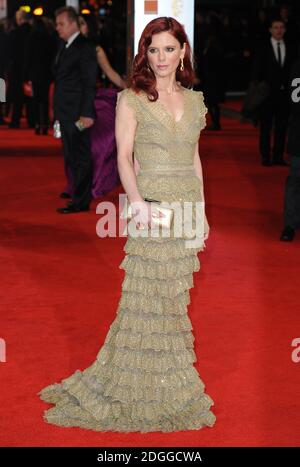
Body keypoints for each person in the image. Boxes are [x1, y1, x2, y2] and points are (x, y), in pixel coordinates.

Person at [38, 16, 216, 432]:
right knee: (143, 301)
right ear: (144, 54)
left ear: (183, 51)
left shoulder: (194, 101)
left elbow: (194, 158)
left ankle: (167, 384)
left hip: (186, 207)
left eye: (169, 48)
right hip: (151, 207)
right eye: (153, 50)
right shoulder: (131, 98)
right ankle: (134, 386)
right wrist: (136, 204)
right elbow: (123, 157)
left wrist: (202, 211)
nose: (162, 58)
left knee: (172, 303)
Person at [61, 14, 126, 200]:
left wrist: (132, 89)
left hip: (93, 107)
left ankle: (91, 186)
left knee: (94, 146)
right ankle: (74, 186)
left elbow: (111, 74)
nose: (79, 27)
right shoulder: (65, 48)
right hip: (70, 106)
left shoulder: (96, 50)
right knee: (70, 146)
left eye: (82, 24)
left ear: (88, 27)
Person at [54, 6, 97, 214]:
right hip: (65, 112)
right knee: (71, 156)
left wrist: (87, 113)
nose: (57, 28)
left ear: (73, 24)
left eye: (61, 24)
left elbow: (89, 83)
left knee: (80, 156)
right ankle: (77, 196)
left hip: (79, 114)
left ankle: (80, 202)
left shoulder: (84, 46)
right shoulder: (65, 45)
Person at [250, 17, 295, 166]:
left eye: (281, 27)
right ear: (270, 30)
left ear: (285, 30)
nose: (279, 30)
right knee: (266, 127)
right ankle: (265, 156)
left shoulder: (291, 46)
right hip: (267, 94)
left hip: (284, 94)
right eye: (276, 27)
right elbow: (256, 69)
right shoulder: (262, 47)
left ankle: (278, 156)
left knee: (282, 127)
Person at [23, 17, 57, 135]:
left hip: (35, 73)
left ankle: (37, 123)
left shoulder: (31, 37)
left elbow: (28, 56)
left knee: (36, 99)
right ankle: (45, 124)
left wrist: (26, 74)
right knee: (45, 100)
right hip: (46, 73)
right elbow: (53, 55)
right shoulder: (48, 37)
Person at [280, 56, 300, 242]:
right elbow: (295, 101)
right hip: (298, 135)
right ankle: (290, 224)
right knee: (295, 180)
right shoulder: (297, 65)